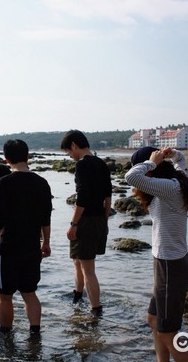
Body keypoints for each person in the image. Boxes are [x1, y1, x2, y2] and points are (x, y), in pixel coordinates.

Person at [125, 147, 188, 362]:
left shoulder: (169, 188)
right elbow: (181, 160)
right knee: (153, 319)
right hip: (168, 263)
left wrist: (152, 162)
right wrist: (172, 153)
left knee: (168, 332)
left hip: (171, 266)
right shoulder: (178, 180)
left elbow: (132, 177)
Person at [0, 139, 52, 335]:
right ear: (27, 156)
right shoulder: (42, 183)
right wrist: (46, 243)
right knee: (29, 293)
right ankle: (35, 334)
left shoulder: (5, 183)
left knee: (4, 295)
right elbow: (46, 217)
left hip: (10, 246)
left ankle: (6, 335)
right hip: (32, 246)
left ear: (6, 159)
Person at [60, 129, 112, 315]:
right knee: (78, 261)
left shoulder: (82, 165)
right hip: (98, 219)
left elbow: (82, 198)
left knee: (88, 269)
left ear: (74, 145)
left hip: (86, 221)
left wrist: (73, 224)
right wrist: (104, 221)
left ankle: (96, 309)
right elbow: (108, 197)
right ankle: (77, 295)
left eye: (68, 151)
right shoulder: (102, 164)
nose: (70, 155)